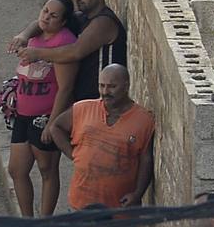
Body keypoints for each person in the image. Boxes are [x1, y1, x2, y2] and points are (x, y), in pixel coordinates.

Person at [6, 0, 78, 227]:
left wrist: (53, 123)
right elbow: (36, 27)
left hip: (45, 115)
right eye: (45, 11)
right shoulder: (36, 35)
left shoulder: (64, 42)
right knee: (16, 169)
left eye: (53, 15)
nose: (46, 17)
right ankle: (27, 223)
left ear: (64, 21)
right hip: (23, 113)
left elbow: (66, 87)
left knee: (48, 170)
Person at [46, 64, 154, 215]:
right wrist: (73, 154)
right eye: (101, 86)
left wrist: (137, 194)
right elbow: (56, 127)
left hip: (119, 210)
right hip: (81, 205)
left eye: (112, 87)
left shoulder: (143, 120)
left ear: (126, 86)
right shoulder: (83, 109)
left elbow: (146, 159)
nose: (105, 92)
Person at [8, 0, 126, 105]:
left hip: (101, 100)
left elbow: (75, 52)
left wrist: (37, 53)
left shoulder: (104, 22)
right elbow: (44, 23)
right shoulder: (82, 17)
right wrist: (24, 35)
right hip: (83, 101)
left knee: (56, 126)